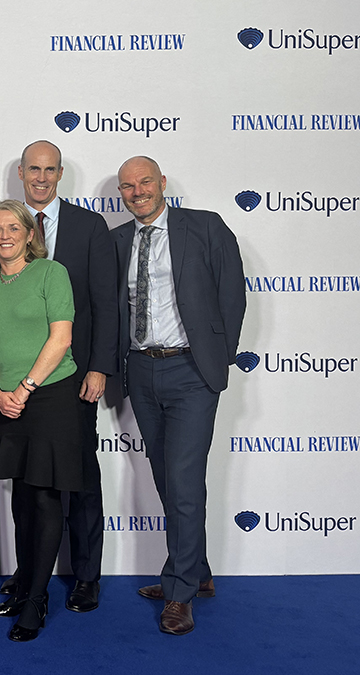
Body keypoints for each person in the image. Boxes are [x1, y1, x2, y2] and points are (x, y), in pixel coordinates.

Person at [113, 156, 245, 636]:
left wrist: (216, 355)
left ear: (162, 182)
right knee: (169, 481)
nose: (138, 191)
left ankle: (180, 591)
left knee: (185, 482)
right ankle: (198, 571)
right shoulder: (119, 240)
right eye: (128, 186)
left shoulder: (206, 227)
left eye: (145, 181)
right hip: (142, 371)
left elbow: (233, 295)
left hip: (191, 371)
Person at [0, 141, 117, 613]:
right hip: (17, 383)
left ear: (60, 173)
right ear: (21, 174)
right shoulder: (4, 228)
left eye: (50, 170)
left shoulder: (90, 226)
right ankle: (30, 574)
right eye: (33, 170)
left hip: (74, 376)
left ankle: (87, 576)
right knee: (27, 482)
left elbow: (106, 302)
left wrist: (99, 365)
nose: (41, 178)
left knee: (80, 478)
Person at [0, 200, 80, 642]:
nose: (5, 235)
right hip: (6, 402)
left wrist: (24, 388)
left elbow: (62, 336)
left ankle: (37, 600)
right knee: (19, 498)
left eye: (13, 227)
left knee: (43, 497)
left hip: (50, 396)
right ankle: (23, 585)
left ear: (29, 233)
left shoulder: (51, 273)